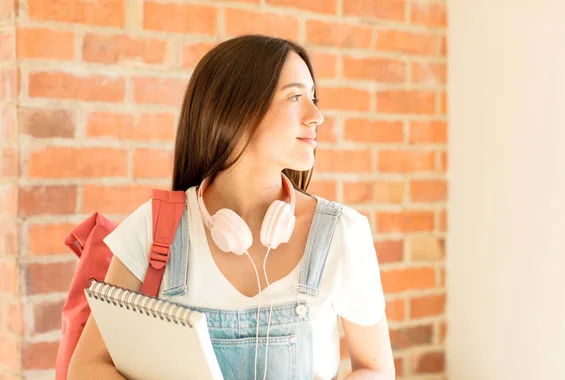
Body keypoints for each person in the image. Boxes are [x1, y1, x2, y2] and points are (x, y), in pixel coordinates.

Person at [68, 34, 395, 380]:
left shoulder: (343, 232)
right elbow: (87, 368)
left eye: (313, 98)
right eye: (296, 96)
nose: (317, 116)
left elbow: (374, 369)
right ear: (236, 109)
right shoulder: (155, 228)